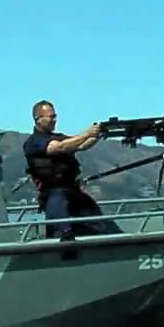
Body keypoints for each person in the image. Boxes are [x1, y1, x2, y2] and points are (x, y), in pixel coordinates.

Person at [22, 100, 122, 240]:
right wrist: (87, 133)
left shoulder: (58, 137)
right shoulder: (34, 142)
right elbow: (59, 147)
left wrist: (98, 134)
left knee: (105, 227)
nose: (54, 120)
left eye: (55, 116)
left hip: (73, 191)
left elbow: (81, 145)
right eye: (51, 117)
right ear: (38, 119)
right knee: (62, 234)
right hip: (54, 194)